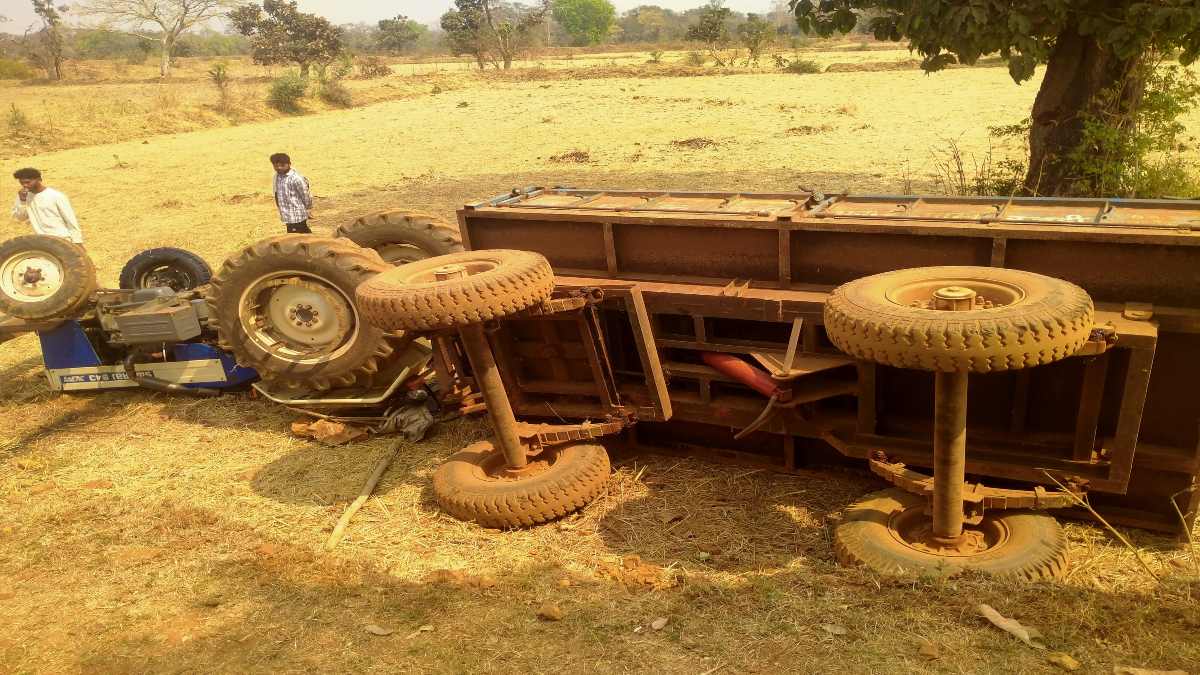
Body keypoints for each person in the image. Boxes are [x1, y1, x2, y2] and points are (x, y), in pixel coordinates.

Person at [11, 167, 83, 244]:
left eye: (28, 182)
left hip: (62, 239)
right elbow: (20, 218)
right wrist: (22, 201)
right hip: (41, 241)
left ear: (39, 179)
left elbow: (70, 219)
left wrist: (78, 241)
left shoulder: (55, 196)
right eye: (22, 183)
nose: (25, 185)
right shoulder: (23, 196)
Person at [270, 153, 313, 234]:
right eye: (276, 166)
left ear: (289, 164)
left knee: (299, 236)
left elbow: (305, 195)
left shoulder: (296, 178)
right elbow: (276, 193)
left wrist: (308, 209)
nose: (279, 168)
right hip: (286, 214)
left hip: (297, 215)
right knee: (299, 235)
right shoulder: (276, 177)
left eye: (282, 165)